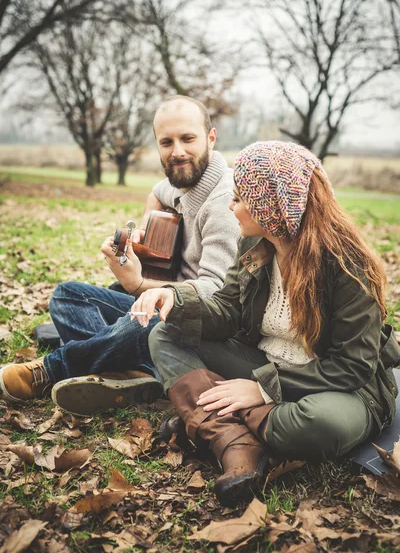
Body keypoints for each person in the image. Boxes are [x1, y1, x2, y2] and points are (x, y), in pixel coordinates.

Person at [130, 140, 400, 508]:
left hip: (342, 388)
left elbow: (351, 366)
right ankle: (237, 442)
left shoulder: (349, 266)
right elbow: (226, 312)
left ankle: (207, 422)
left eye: (240, 198)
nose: (231, 205)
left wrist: (261, 388)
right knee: (167, 332)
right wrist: (175, 300)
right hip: (263, 361)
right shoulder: (254, 245)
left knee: (321, 426)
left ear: (271, 207)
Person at [0, 95, 240, 416]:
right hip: (164, 305)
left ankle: (50, 370)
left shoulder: (225, 204)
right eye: (166, 142)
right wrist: (148, 229)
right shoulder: (187, 179)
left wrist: (140, 284)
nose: (178, 151)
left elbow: (217, 293)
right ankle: (138, 371)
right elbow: (158, 190)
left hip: (199, 320)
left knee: (146, 322)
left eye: (188, 139)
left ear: (211, 138)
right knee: (67, 295)